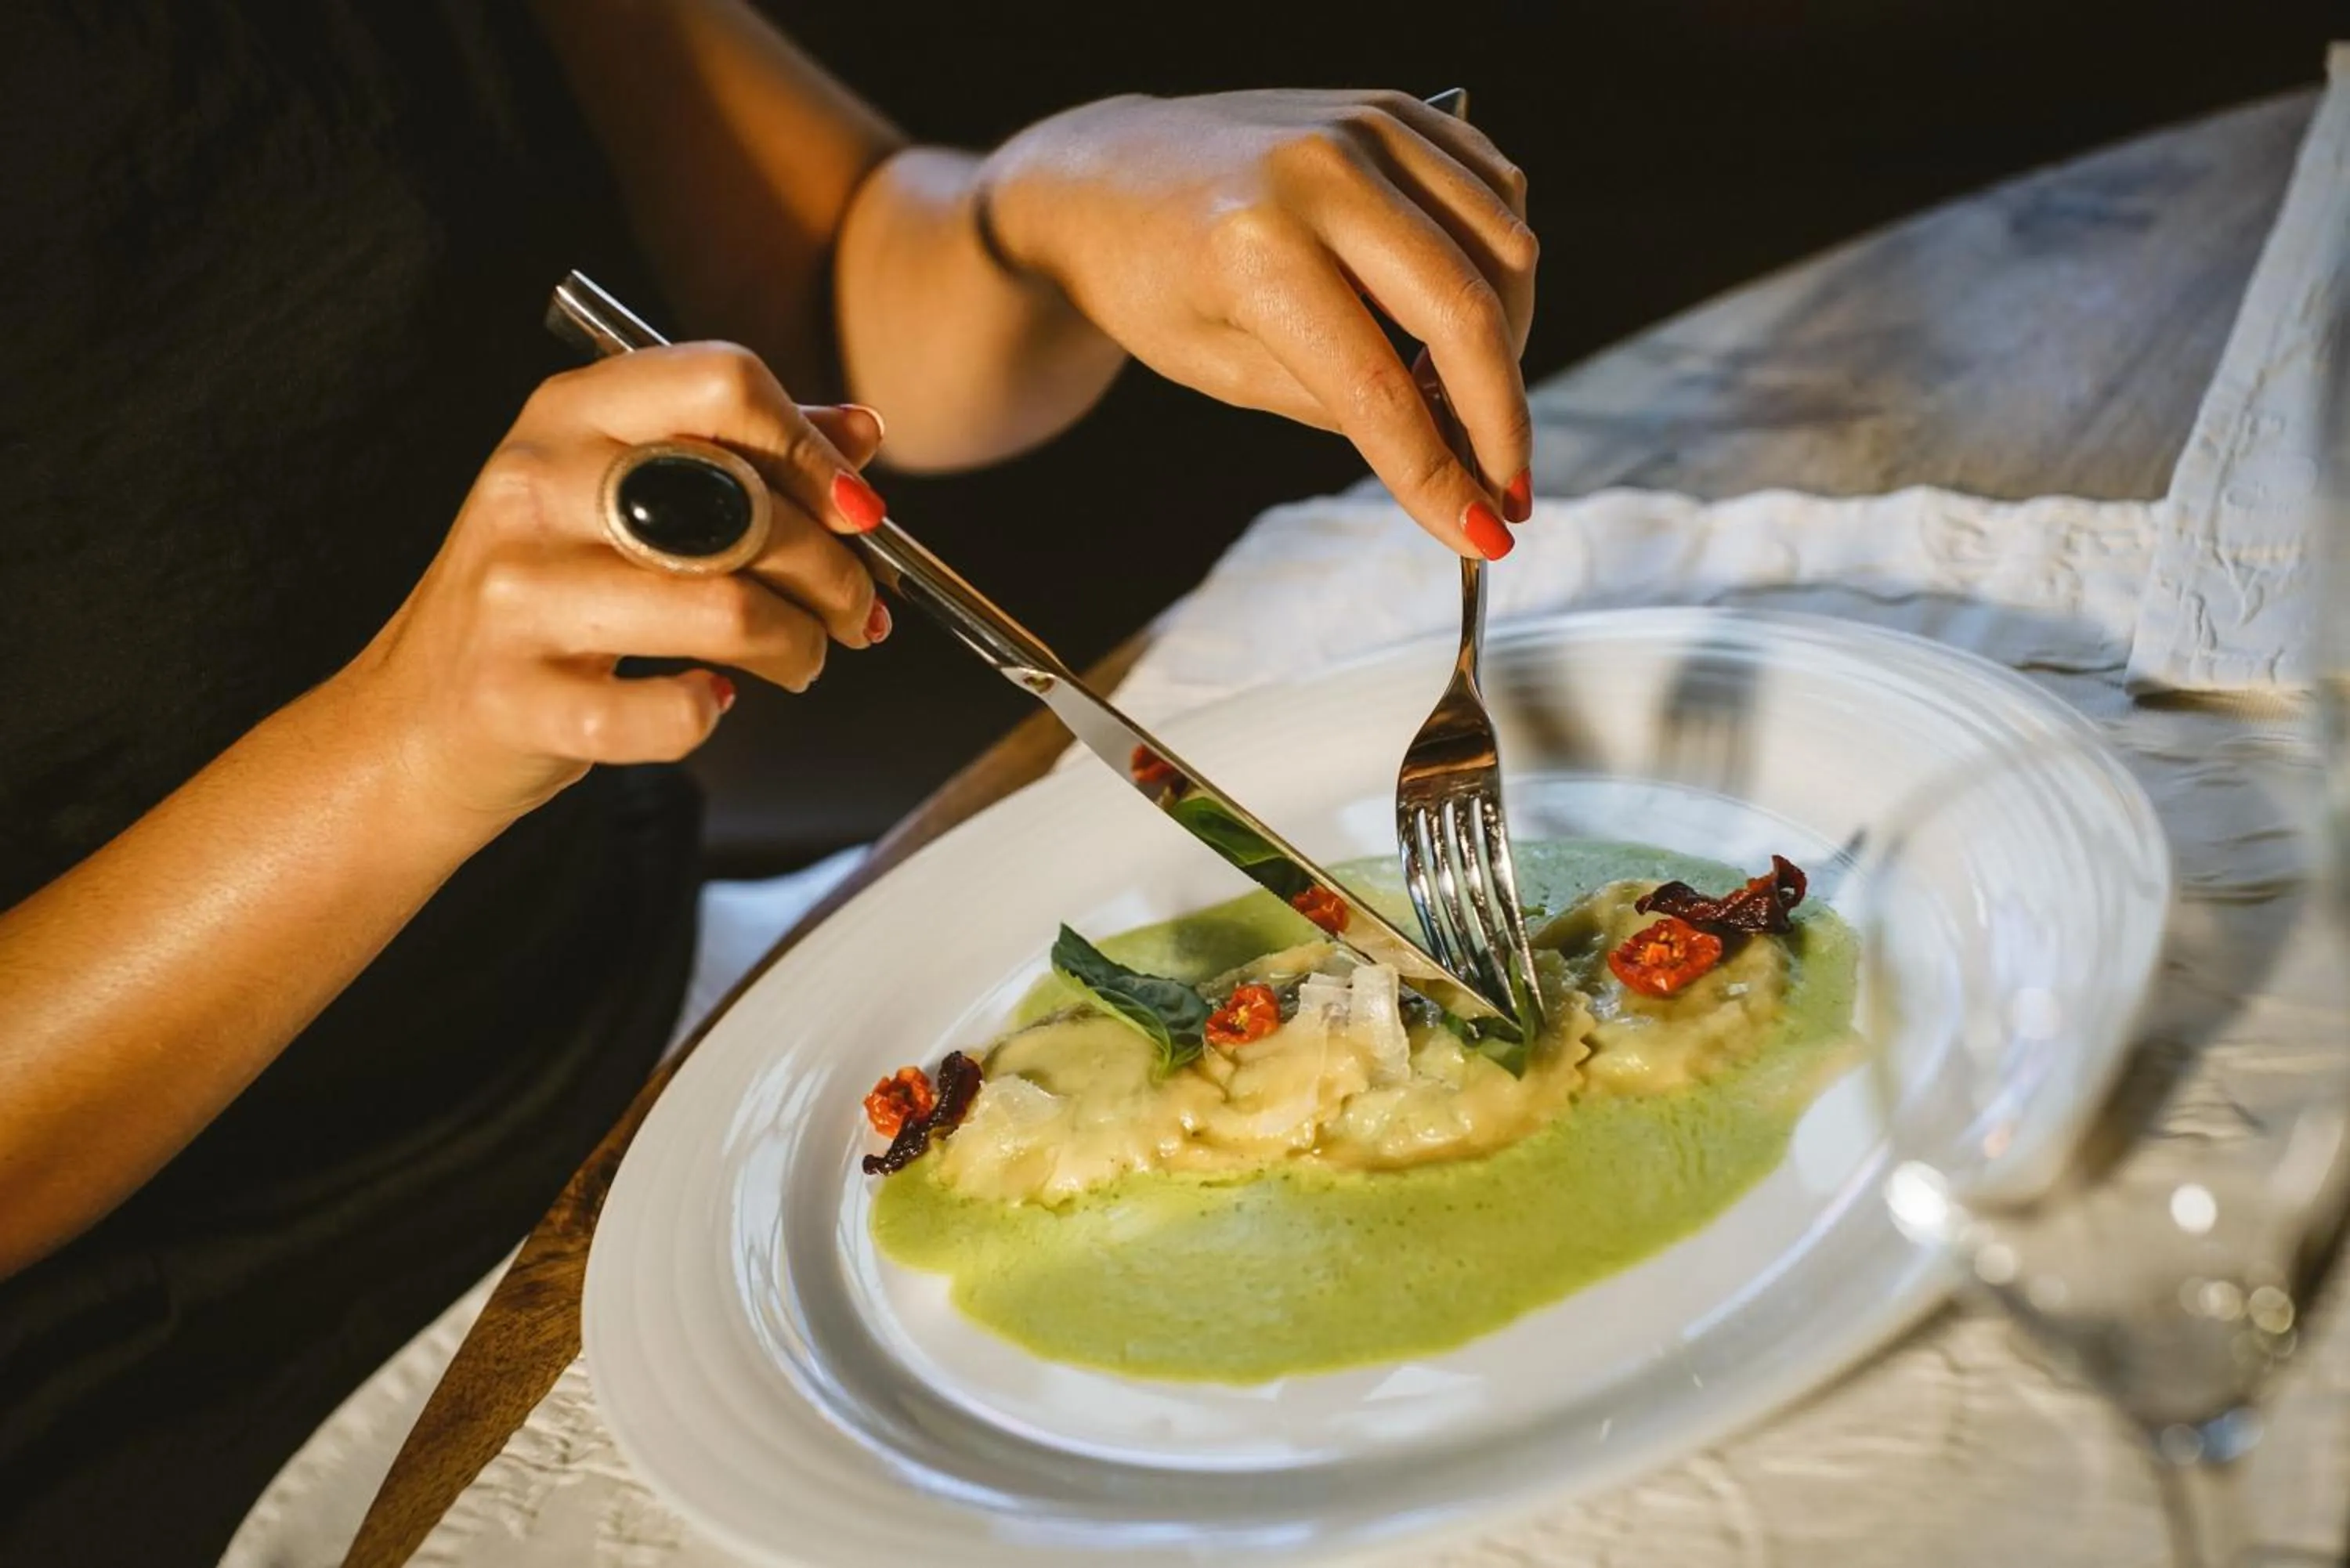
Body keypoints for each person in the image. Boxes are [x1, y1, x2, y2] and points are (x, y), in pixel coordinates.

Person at [0, 1, 1536, 1558]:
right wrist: (396, 749)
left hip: (673, 1036)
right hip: (220, 1408)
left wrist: (1052, 204)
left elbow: (833, 268)